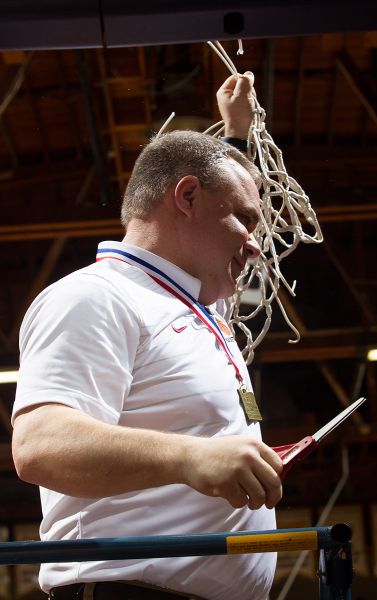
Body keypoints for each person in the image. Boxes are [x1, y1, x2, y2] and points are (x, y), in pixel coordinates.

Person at [12, 72, 283, 600]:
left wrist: (236, 137)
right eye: (245, 220)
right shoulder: (98, 296)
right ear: (186, 197)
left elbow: (209, 193)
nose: (254, 244)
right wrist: (191, 458)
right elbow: (40, 445)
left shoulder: (193, 303)